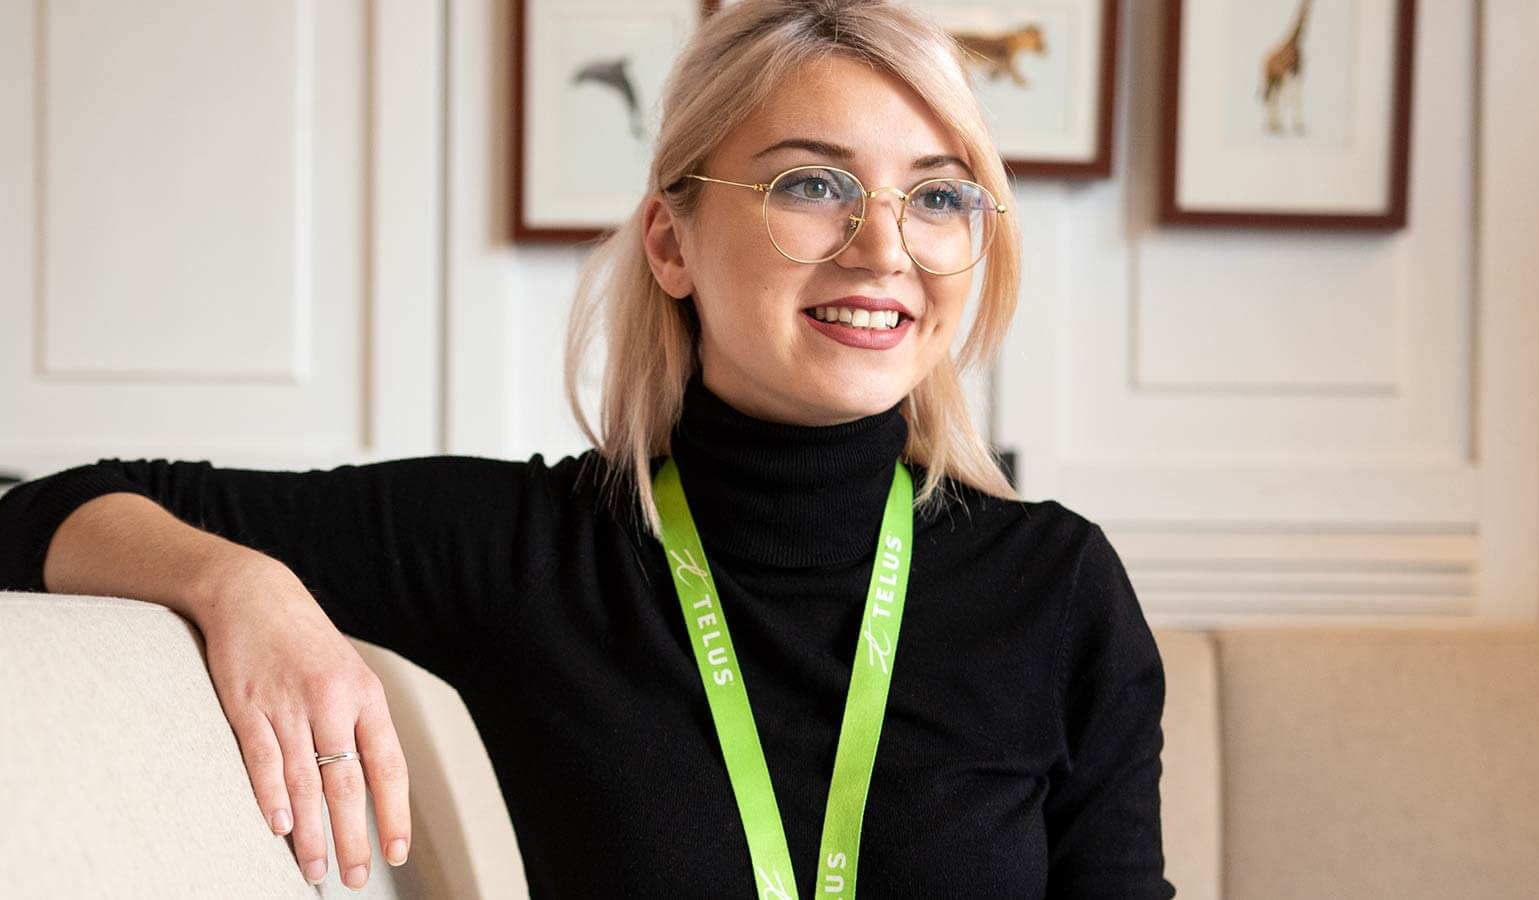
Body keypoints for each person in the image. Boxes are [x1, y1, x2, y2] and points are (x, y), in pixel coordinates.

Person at [0, 0, 1175, 896]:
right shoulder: (521, 551)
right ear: (671, 242)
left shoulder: (1056, 587)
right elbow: (38, 510)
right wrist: (235, 582)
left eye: (937, 197)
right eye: (813, 184)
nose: (884, 250)